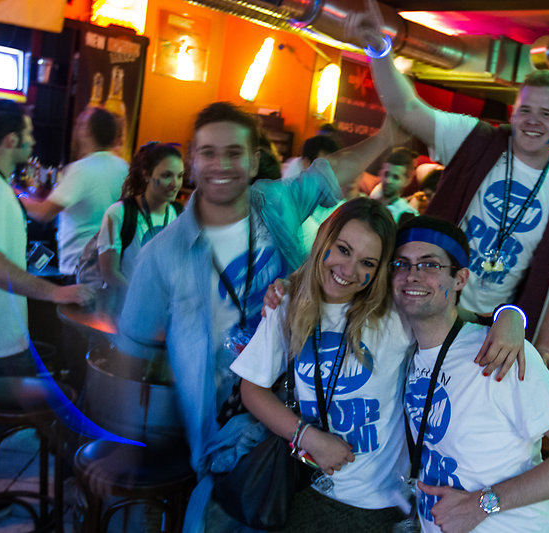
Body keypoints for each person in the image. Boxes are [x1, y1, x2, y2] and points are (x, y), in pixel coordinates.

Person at [116, 102, 416, 531]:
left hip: (309, 410)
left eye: (234, 152)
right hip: (230, 431)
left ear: (255, 160)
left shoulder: (275, 203)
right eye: (209, 152)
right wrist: (127, 452)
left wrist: (385, 137)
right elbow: (131, 356)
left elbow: (327, 174)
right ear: (192, 160)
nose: (222, 165)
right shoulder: (161, 255)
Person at [232, 199, 523, 531]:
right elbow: (252, 388)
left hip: (381, 500)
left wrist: (510, 316)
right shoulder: (288, 303)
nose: (348, 270)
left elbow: (461, 318)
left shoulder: (394, 312)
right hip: (307, 482)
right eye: (343, 250)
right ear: (324, 241)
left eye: (367, 262)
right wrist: (307, 437)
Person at [345, 4, 549, 371]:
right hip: (422, 305)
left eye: (547, 114)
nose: (533, 121)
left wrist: (540, 345)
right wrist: (379, 51)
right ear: (513, 112)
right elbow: (406, 108)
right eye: (526, 110)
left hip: (491, 331)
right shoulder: (475, 140)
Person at [393, 215, 549, 532]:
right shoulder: (405, 350)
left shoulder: (500, 351)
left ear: (460, 279)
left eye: (430, 265)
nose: (412, 275)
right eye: (401, 264)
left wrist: (482, 504)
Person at [0, 98, 94, 386]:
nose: (33, 141)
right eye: (28, 133)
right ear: (11, 140)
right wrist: (56, 293)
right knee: (25, 416)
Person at [22, 107, 128, 280]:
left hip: (80, 267)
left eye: (80, 124)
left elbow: (44, 213)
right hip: (113, 267)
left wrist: (15, 195)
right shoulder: (124, 168)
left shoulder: (82, 169)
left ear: (87, 131)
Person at [97, 142, 184, 288]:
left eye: (180, 176)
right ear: (147, 175)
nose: (175, 184)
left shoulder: (180, 214)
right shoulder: (119, 213)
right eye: (166, 175)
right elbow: (110, 273)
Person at [370, 147, 419, 223]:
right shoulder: (368, 205)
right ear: (380, 173)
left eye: (395, 177)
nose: (388, 180)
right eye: (386, 174)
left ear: (407, 181)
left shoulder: (407, 215)